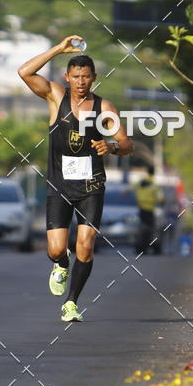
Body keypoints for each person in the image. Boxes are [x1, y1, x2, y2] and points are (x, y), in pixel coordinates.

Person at [18, 35, 133, 321]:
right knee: (56, 248)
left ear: (94, 77)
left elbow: (127, 144)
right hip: (59, 186)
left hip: (91, 186)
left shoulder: (104, 109)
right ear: (67, 77)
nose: (81, 81)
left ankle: (72, 302)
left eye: (86, 76)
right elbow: (24, 72)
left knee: (85, 243)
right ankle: (61, 263)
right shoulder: (55, 96)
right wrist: (59, 48)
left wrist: (112, 146)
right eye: (76, 76)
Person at [135, 165, 164, 255]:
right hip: (149, 210)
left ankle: (141, 246)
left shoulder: (140, 182)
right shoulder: (154, 185)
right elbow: (161, 198)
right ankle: (146, 246)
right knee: (150, 229)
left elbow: (127, 189)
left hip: (141, 209)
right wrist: (162, 202)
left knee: (143, 228)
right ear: (153, 173)